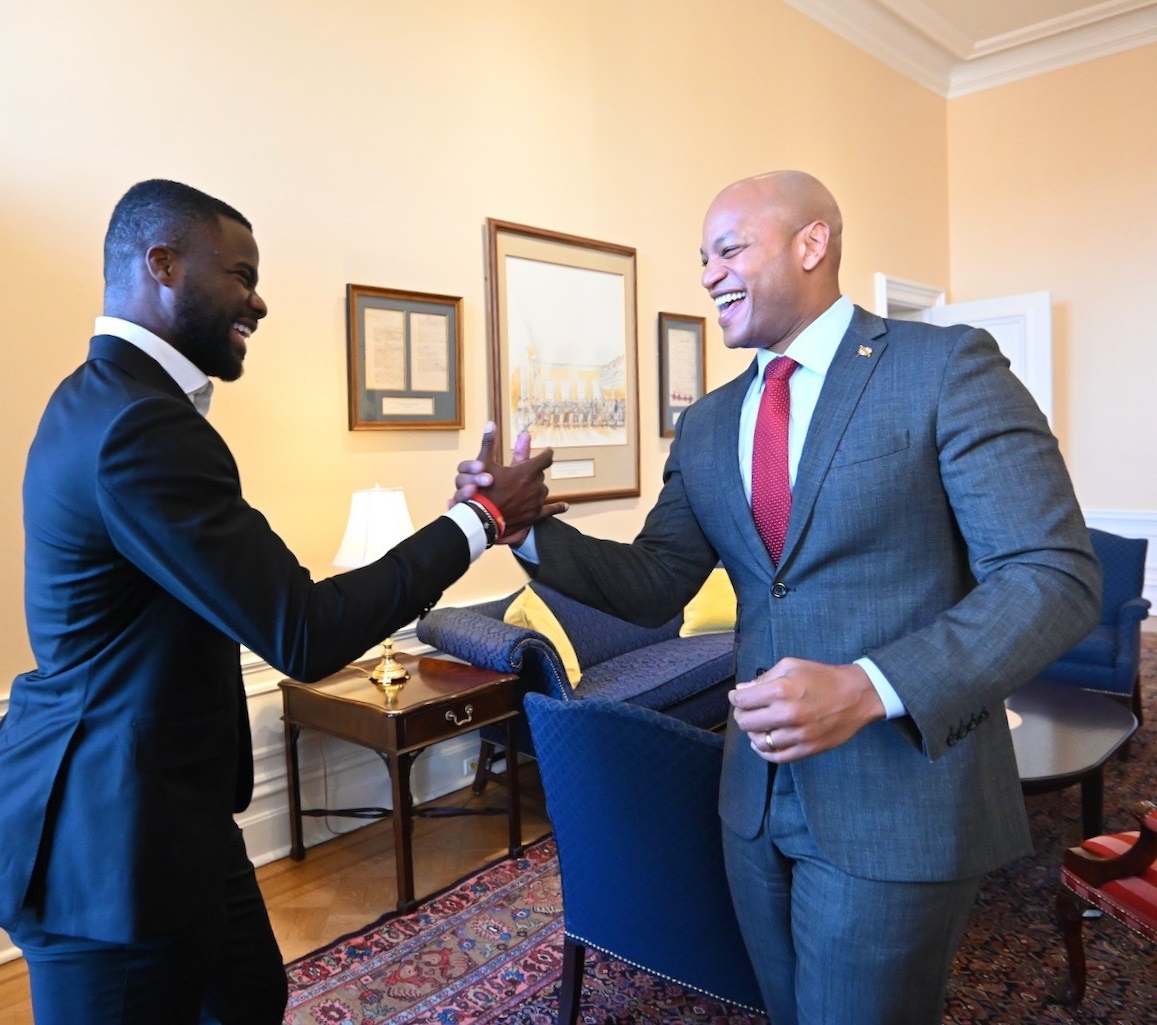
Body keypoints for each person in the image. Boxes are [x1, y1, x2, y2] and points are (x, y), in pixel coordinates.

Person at [456, 170, 1101, 1024]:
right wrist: (523, 528)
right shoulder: (709, 423)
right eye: (702, 258)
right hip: (755, 801)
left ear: (812, 243)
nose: (708, 274)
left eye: (729, 249)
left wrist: (869, 685)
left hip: (899, 795)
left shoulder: (943, 366)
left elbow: (1052, 574)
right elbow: (654, 582)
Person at [0, 179, 561, 1025]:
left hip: (175, 812)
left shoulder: (101, 398)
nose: (260, 301)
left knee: (249, 996)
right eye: (241, 275)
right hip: (107, 842)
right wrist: (480, 519)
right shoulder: (139, 426)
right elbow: (301, 629)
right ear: (162, 265)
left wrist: (466, 520)